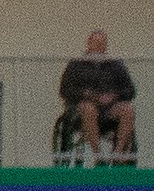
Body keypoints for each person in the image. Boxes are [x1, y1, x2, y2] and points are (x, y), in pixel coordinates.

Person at [58, 30, 136, 163]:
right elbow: (65, 90)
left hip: (109, 108)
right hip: (82, 108)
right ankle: (98, 155)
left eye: (102, 43)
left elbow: (130, 90)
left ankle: (117, 154)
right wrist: (87, 94)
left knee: (128, 109)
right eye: (96, 43)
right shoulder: (76, 64)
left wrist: (114, 95)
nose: (99, 46)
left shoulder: (116, 65)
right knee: (89, 109)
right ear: (88, 44)